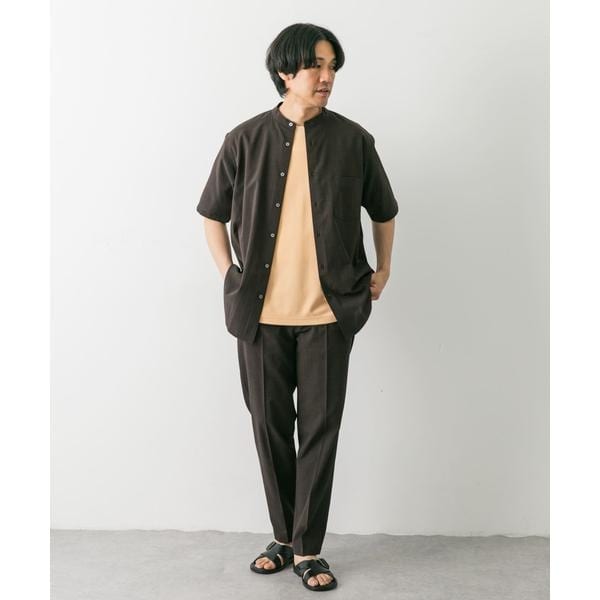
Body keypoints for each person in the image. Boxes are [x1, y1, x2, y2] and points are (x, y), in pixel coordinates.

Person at [196, 22, 397, 592]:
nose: (327, 76)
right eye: (316, 65)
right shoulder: (244, 139)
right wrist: (229, 274)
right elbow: (211, 213)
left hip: (329, 315)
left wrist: (384, 268)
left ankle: (308, 548)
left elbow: (384, 210)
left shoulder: (354, 140)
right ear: (285, 71)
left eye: (332, 66)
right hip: (260, 317)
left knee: (320, 430)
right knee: (269, 428)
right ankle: (283, 537)